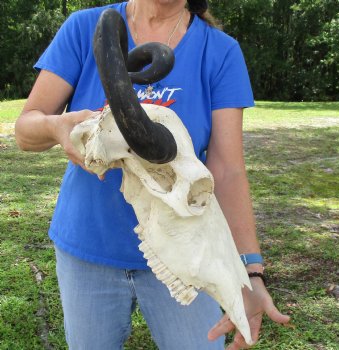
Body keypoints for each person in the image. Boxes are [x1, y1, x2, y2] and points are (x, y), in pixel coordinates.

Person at [15, 0, 290, 349]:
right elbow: (26, 130)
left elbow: (228, 170)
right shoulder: (85, 28)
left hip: (188, 255)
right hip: (88, 248)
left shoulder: (220, 52)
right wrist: (57, 128)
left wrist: (249, 270)